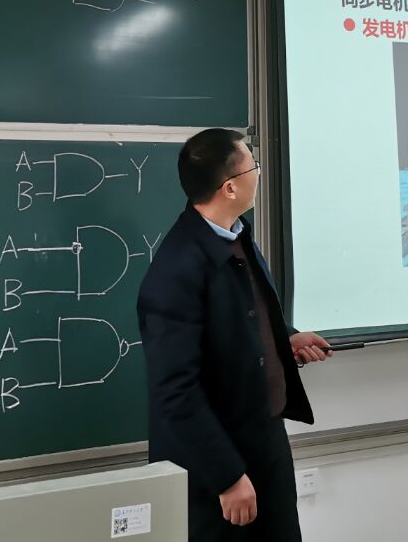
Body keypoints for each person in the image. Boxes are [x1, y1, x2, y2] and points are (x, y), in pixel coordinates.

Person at [137, 128, 331, 540]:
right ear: (229, 187)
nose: (258, 173)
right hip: (218, 463)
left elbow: (242, 312)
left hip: (263, 440)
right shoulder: (176, 270)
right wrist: (227, 476)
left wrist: (283, 339)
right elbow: (175, 391)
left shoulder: (235, 234)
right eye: (252, 166)